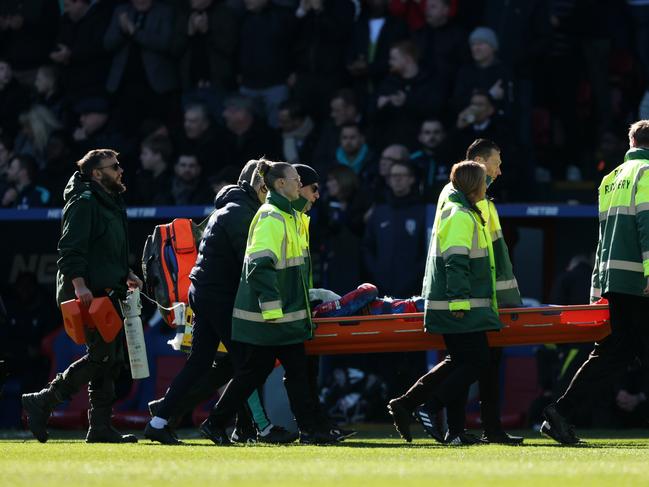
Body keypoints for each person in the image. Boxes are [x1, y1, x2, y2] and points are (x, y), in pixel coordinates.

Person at [145, 159, 295, 445]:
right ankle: (256, 428)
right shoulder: (243, 214)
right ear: (262, 186)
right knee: (247, 364)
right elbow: (249, 263)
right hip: (219, 297)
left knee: (203, 363)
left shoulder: (230, 208)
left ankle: (159, 419)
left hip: (204, 294)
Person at [200, 160, 338, 445]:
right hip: (272, 315)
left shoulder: (287, 217)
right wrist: (272, 309)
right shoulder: (272, 216)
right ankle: (311, 430)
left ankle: (215, 423)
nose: (299, 184)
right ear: (280, 184)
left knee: (259, 371)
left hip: (281, 313)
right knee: (290, 370)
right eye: (295, 179)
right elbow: (260, 265)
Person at [396, 139, 524, 444]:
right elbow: (463, 258)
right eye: (496, 162)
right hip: (469, 299)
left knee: (463, 360)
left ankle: (442, 422)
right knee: (477, 361)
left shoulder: (456, 197)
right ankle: (427, 407)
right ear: (479, 163)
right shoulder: (466, 206)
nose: (499, 170)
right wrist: (463, 300)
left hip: (472, 297)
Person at [21, 149, 143, 443]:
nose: (120, 170)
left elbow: (106, 248)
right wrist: (79, 286)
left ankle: (99, 426)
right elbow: (70, 250)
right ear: (96, 173)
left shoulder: (109, 200)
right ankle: (43, 400)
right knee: (102, 356)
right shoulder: (84, 201)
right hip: (88, 292)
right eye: (113, 166)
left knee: (110, 359)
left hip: (105, 288)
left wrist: (125, 272)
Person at [540, 120, 649, 445]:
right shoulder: (647, 175)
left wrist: (596, 286)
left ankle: (560, 412)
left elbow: (602, 238)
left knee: (614, 352)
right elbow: (647, 225)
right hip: (640, 282)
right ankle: (560, 412)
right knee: (617, 351)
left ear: (630, 142)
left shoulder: (610, 179)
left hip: (617, 281)